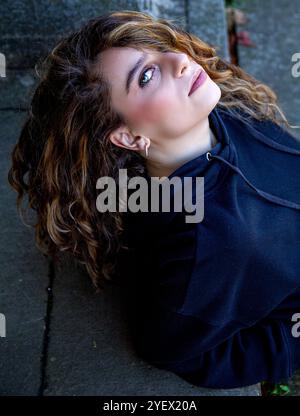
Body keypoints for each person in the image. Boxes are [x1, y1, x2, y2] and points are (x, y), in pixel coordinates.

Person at [7, 10, 300, 389]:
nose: (180, 60)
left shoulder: (221, 109)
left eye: (160, 50)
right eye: (146, 76)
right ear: (129, 138)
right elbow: (169, 348)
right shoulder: (218, 241)